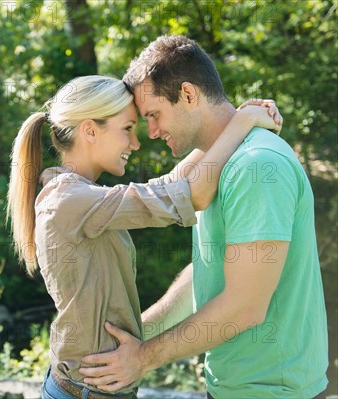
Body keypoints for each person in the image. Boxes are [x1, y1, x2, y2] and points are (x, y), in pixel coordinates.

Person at [79, 35, 328, 399]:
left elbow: (244, 307)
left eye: (154, 115)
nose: (152, 132)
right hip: (230, 388)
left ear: (189, 95)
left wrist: (142, 359)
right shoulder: (219, 164)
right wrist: (136, 334)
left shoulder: (256, 167)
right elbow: (211, 271)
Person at [6, 75, 281, 399]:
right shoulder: (69, 201)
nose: (135, 144)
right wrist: (243, 122)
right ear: (90, 131)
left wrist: (232, 122)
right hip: (85, 392)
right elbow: (193, 194)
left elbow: (172, 184)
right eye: (127, 129)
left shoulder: (81, 195)